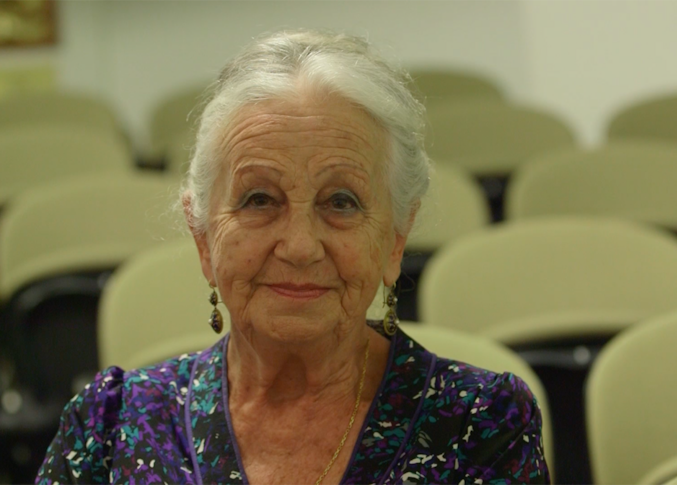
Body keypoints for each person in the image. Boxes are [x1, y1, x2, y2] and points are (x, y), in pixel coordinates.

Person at [36, 30, 549, 485]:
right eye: (259, 200)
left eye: (341, 202)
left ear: (395, 238)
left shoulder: (480, 425)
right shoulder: (110, 426)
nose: (300, 246)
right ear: (203, 236)